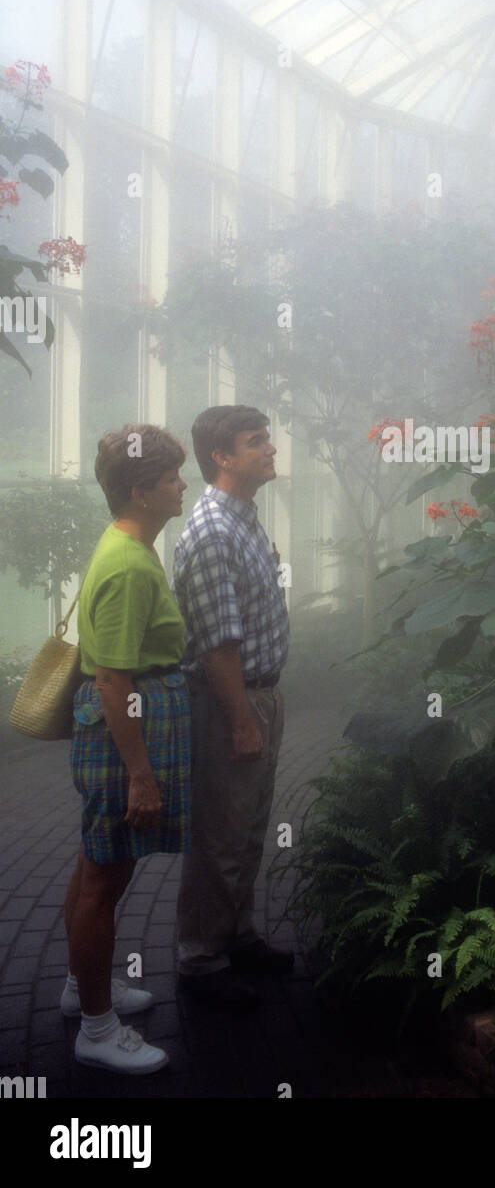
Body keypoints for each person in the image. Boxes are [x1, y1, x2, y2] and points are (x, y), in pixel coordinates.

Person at [63, 424, 190, 1074]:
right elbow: (114, 680)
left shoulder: (129, 546)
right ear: (142, 491)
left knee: (96, 870)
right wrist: (140, 776)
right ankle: (97, 1026)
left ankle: (83, 986)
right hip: (123, 743)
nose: (182, 485)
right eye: (172, 478)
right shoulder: (130, 565)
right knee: (103, 879)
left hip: (123, 734)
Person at [173, 405, 292, 1006]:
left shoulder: (242, 518)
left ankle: (237, 935)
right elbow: (218, 643)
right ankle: (201, 958)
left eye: (267, 437)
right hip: (231, 703)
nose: (270, 448)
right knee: (221, 832)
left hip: (259, 695)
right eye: (256, 441)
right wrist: (243, 720)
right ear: (222, 457)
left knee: (247, 825)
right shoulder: (215, 532)